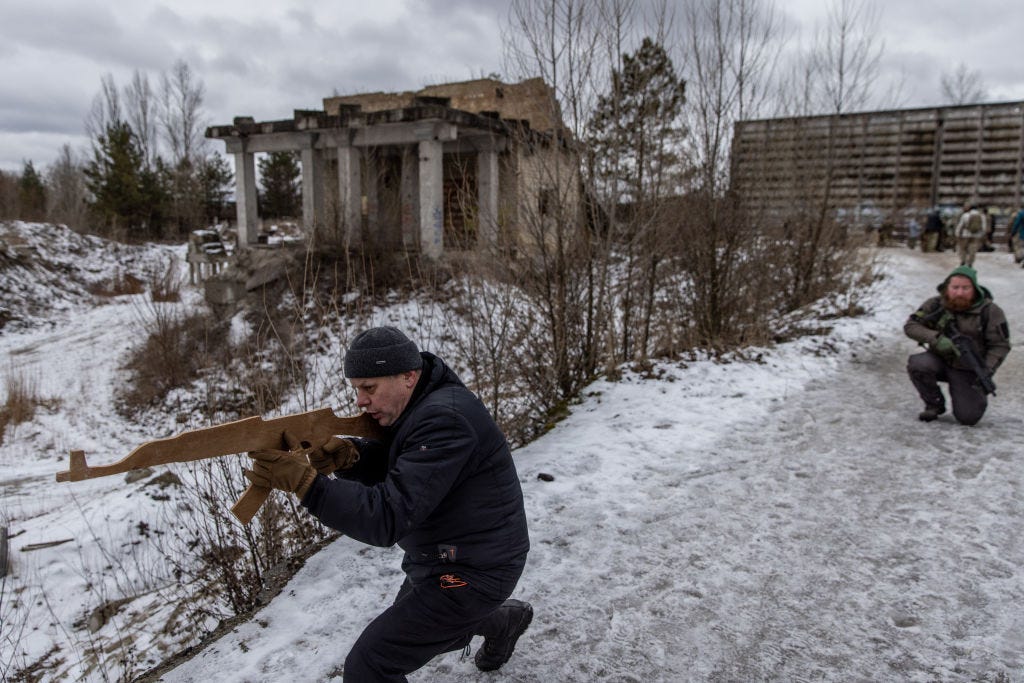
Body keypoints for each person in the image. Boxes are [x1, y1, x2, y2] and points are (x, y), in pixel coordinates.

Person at [243, 326, 533, 681]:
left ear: (408, 376)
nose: (360, 401)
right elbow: (414, 472)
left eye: (369, 388)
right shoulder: (420, 405)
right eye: (356, 389)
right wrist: (353, 458)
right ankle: (504, 621)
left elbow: (388, 517)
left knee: (371, 664)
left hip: (475, 570)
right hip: (446, 557)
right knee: (422, 633)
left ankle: (494, 615)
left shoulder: (447, 419)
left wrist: (307, 484)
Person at [904, 266, 1010, 425]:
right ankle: (934, 404)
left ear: (975, 289)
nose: (960, 293)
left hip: (969, 369)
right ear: (947, 288)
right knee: (919, 363)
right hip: (940, 361)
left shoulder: (990, 311)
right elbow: (911, 326)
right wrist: (935, 339)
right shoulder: (935, 304)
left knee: (968, 417)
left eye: (965, 288)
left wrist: (986, 371)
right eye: (955, 287)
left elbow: (1000, 345)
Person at [954, 202, 986, 266]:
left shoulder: (965, 215)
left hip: (965, 235)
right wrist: (982, 235)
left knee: (963, 249)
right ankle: (970, 262)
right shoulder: (982, 216)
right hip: (976, 235)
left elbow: (960, 225)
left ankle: (963, 260)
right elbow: (983, 227)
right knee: (973, 249)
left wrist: (957, 234)